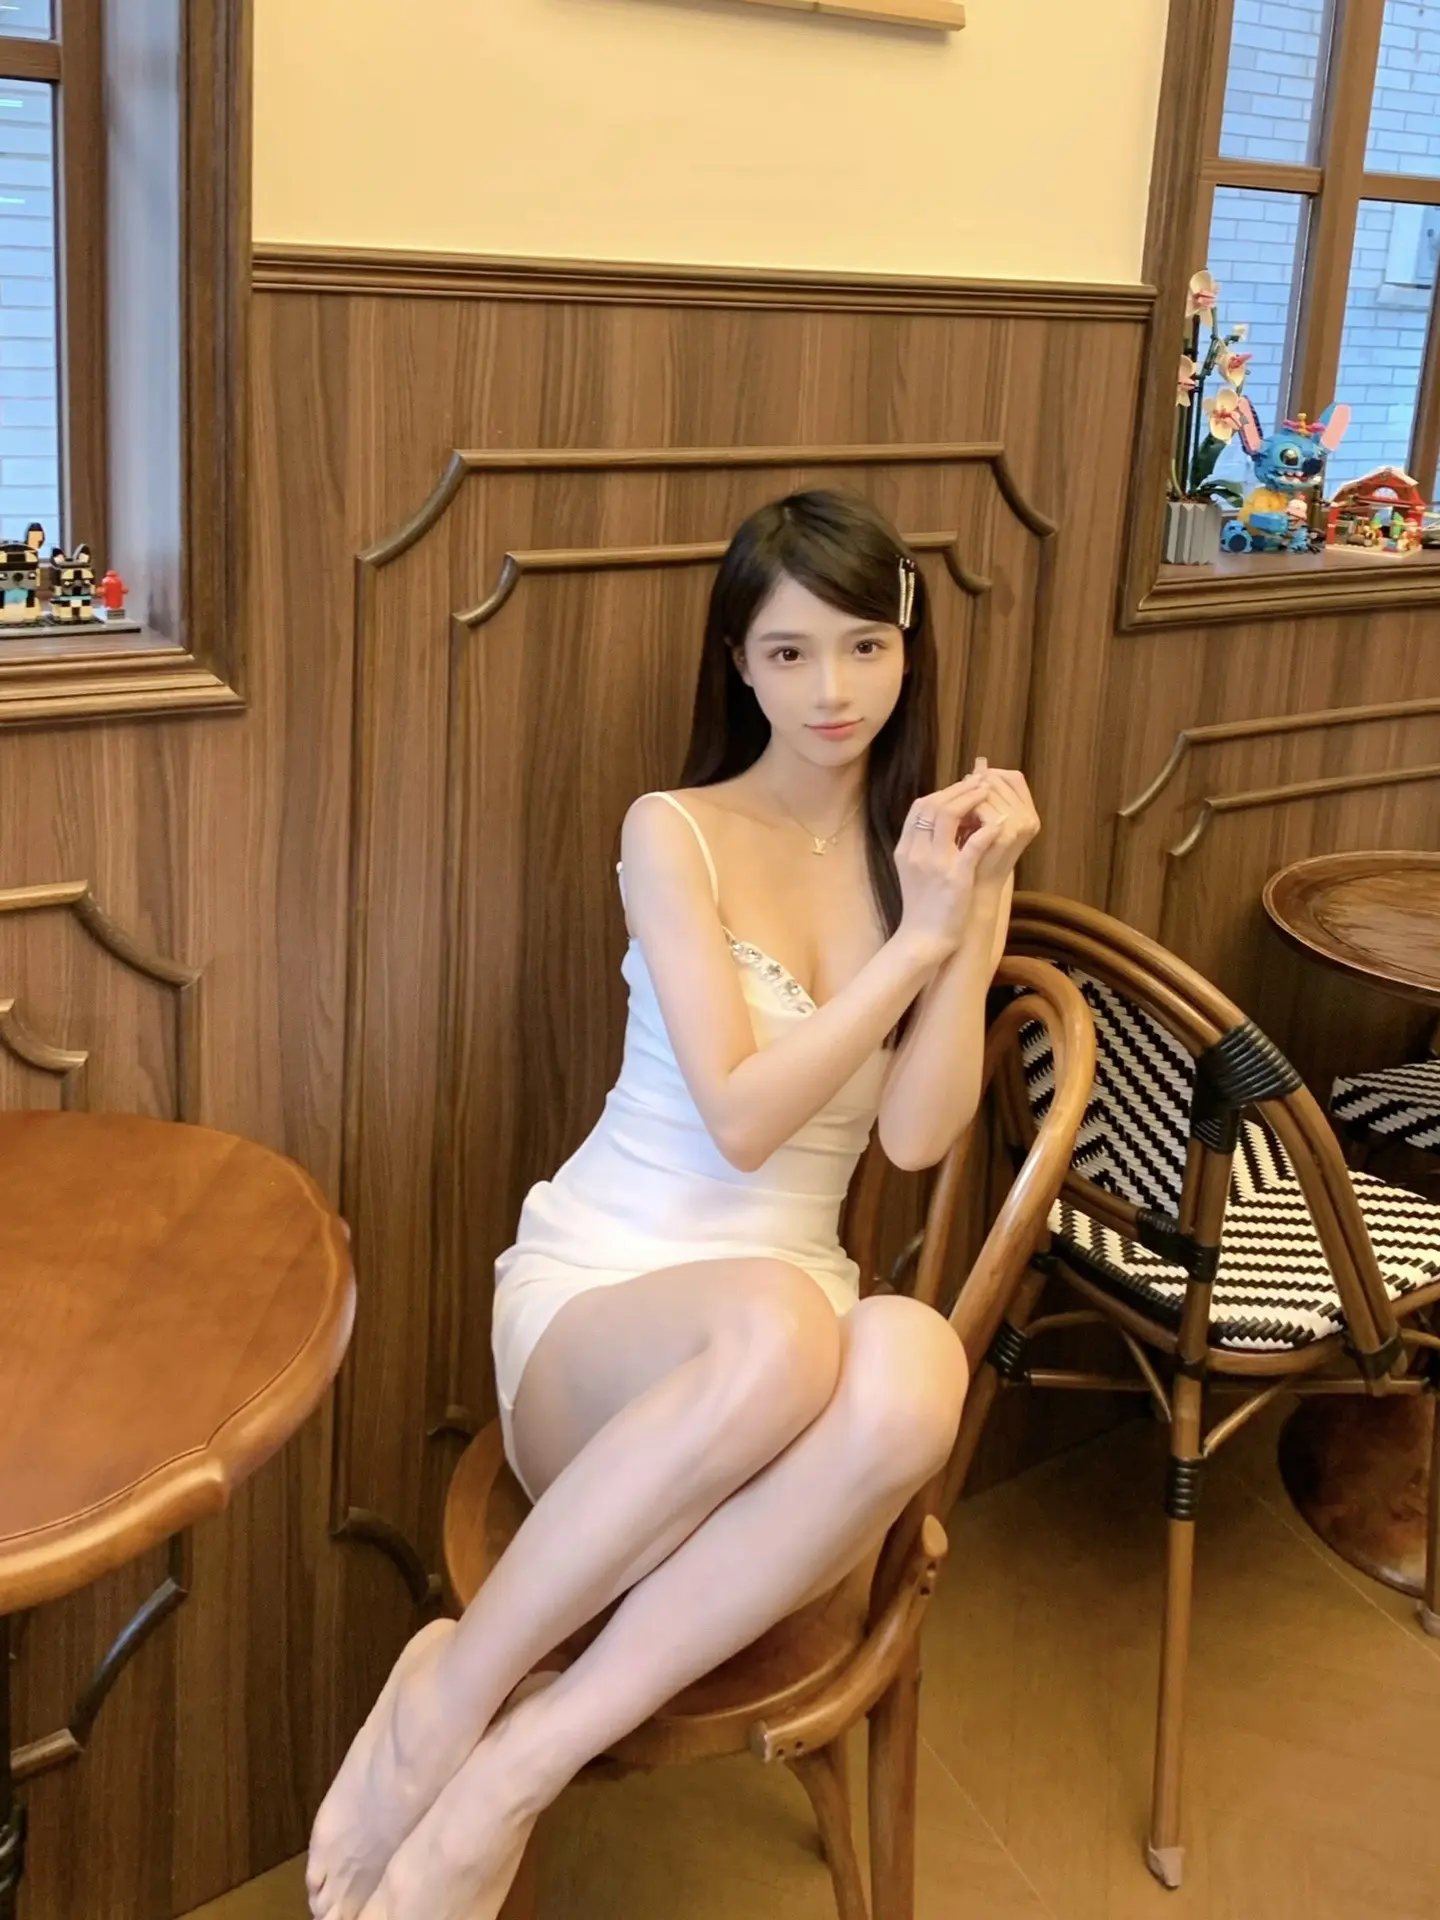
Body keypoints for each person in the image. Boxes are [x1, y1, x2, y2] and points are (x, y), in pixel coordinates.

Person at [306, 490, 1040, 1920]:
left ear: (909, 649)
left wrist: (975, 914)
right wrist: (920, 948)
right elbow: (744, 1119)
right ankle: (444, 1702)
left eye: (864, 647)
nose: (831, 690)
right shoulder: (675, 832)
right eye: (788, 653)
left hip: (789, 1342)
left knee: (914, 1370)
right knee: (779, 1330)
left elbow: (913, 1135)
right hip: (607, 1314)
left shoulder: (926, 865)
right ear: (737, 665)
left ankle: (519, 1764)